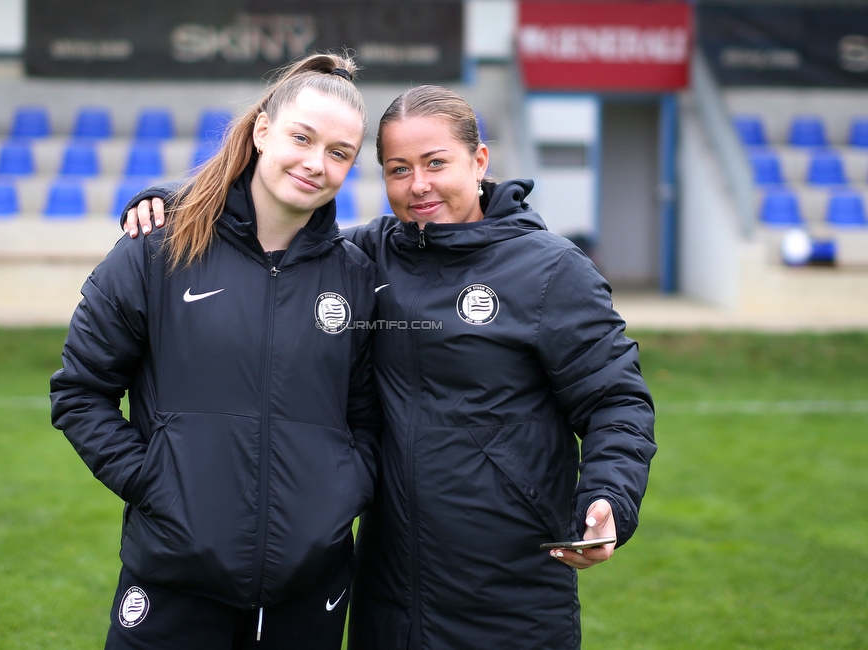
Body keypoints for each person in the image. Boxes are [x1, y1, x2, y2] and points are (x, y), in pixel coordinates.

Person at [123, 85, 656, 650]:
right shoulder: (366, 257)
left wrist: (608, 495)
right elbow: (269, 228)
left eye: (435, 163)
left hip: (511, 587)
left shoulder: (551, 271)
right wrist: (179, 201)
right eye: (398, 169)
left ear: (479, 161)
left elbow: (615, 400)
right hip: (387, 590)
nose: (418, 185)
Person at [50, 53, 381, 650]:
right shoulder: (156, 252)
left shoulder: (355, 276)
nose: (315, 163)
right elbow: (81, 392)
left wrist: (340, 493)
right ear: (261, 131)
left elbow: (366, 415)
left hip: (309, 591)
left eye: (339, 153)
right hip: (173, 583)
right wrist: (154, 481)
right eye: (301, 138)